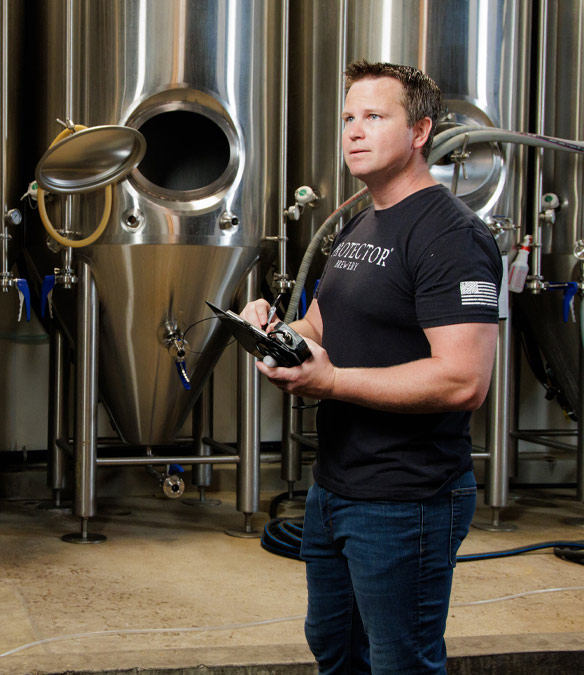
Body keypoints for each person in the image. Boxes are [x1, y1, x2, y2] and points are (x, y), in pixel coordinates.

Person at [241, 61, 502, 674]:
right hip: (336, 486)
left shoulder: (451, 236)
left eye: (375, 117)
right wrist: (278, 333)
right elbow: (324, 327)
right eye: (349, 118)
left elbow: (464, 380)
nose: (355, 131)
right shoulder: (362, 223)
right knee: (334, 648)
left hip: (407, 496)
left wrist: (330, 382)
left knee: (400, 664)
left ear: (419, 132)